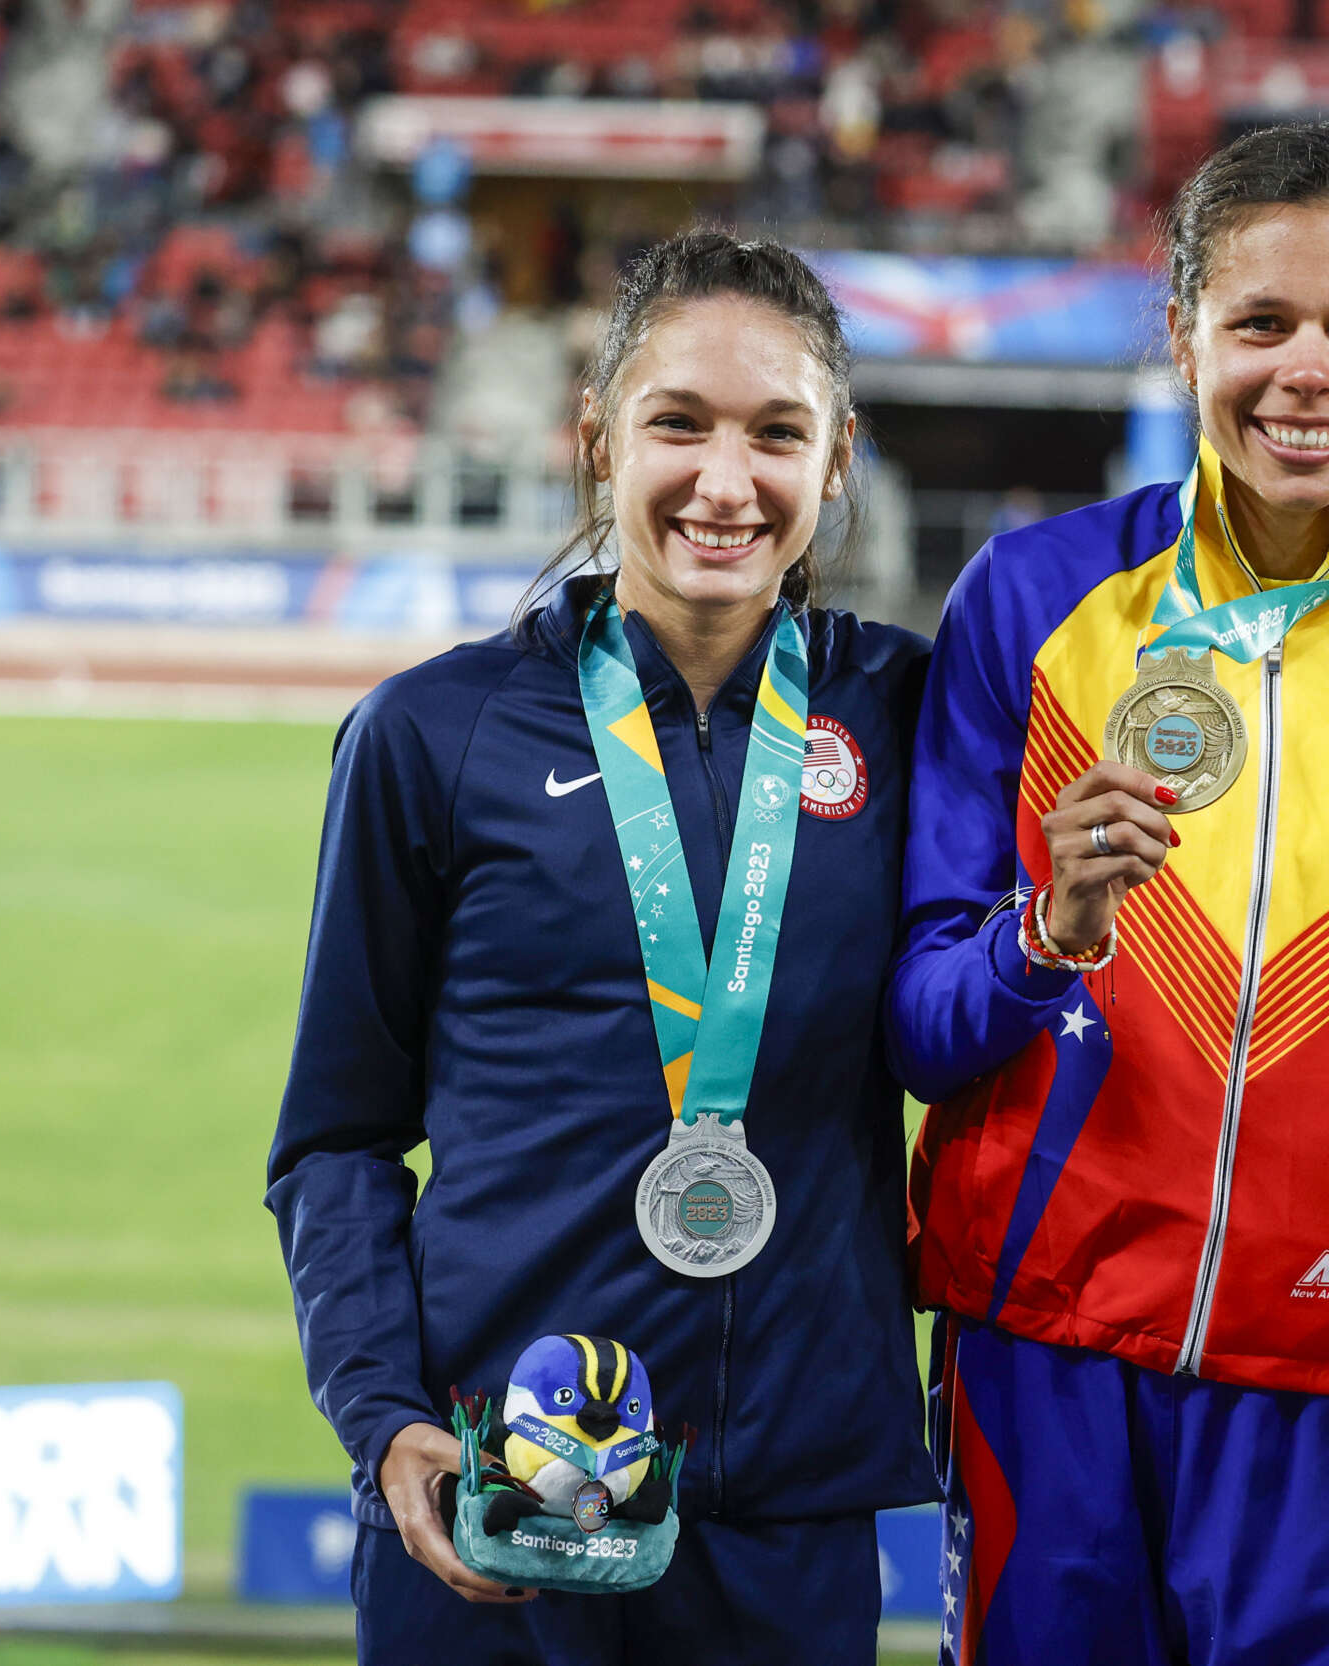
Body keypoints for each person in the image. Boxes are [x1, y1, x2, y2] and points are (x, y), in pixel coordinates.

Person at [886, 121, 1329, 1666]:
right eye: (1259, 322)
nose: (1306, 373)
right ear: (1180, 333)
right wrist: (1044, 938)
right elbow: (922, 1028)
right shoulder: (1032, 601)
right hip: (1044, 1355)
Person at [265, 231, 937, 1665]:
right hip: (492, 1505)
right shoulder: (431, 738)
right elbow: (336, 1136)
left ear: (835, 461)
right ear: (597, 442)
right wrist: (384, 1417)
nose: (724, 479)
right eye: (676, 423)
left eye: (776, 431)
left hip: (787, 1514)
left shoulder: (912, 714)